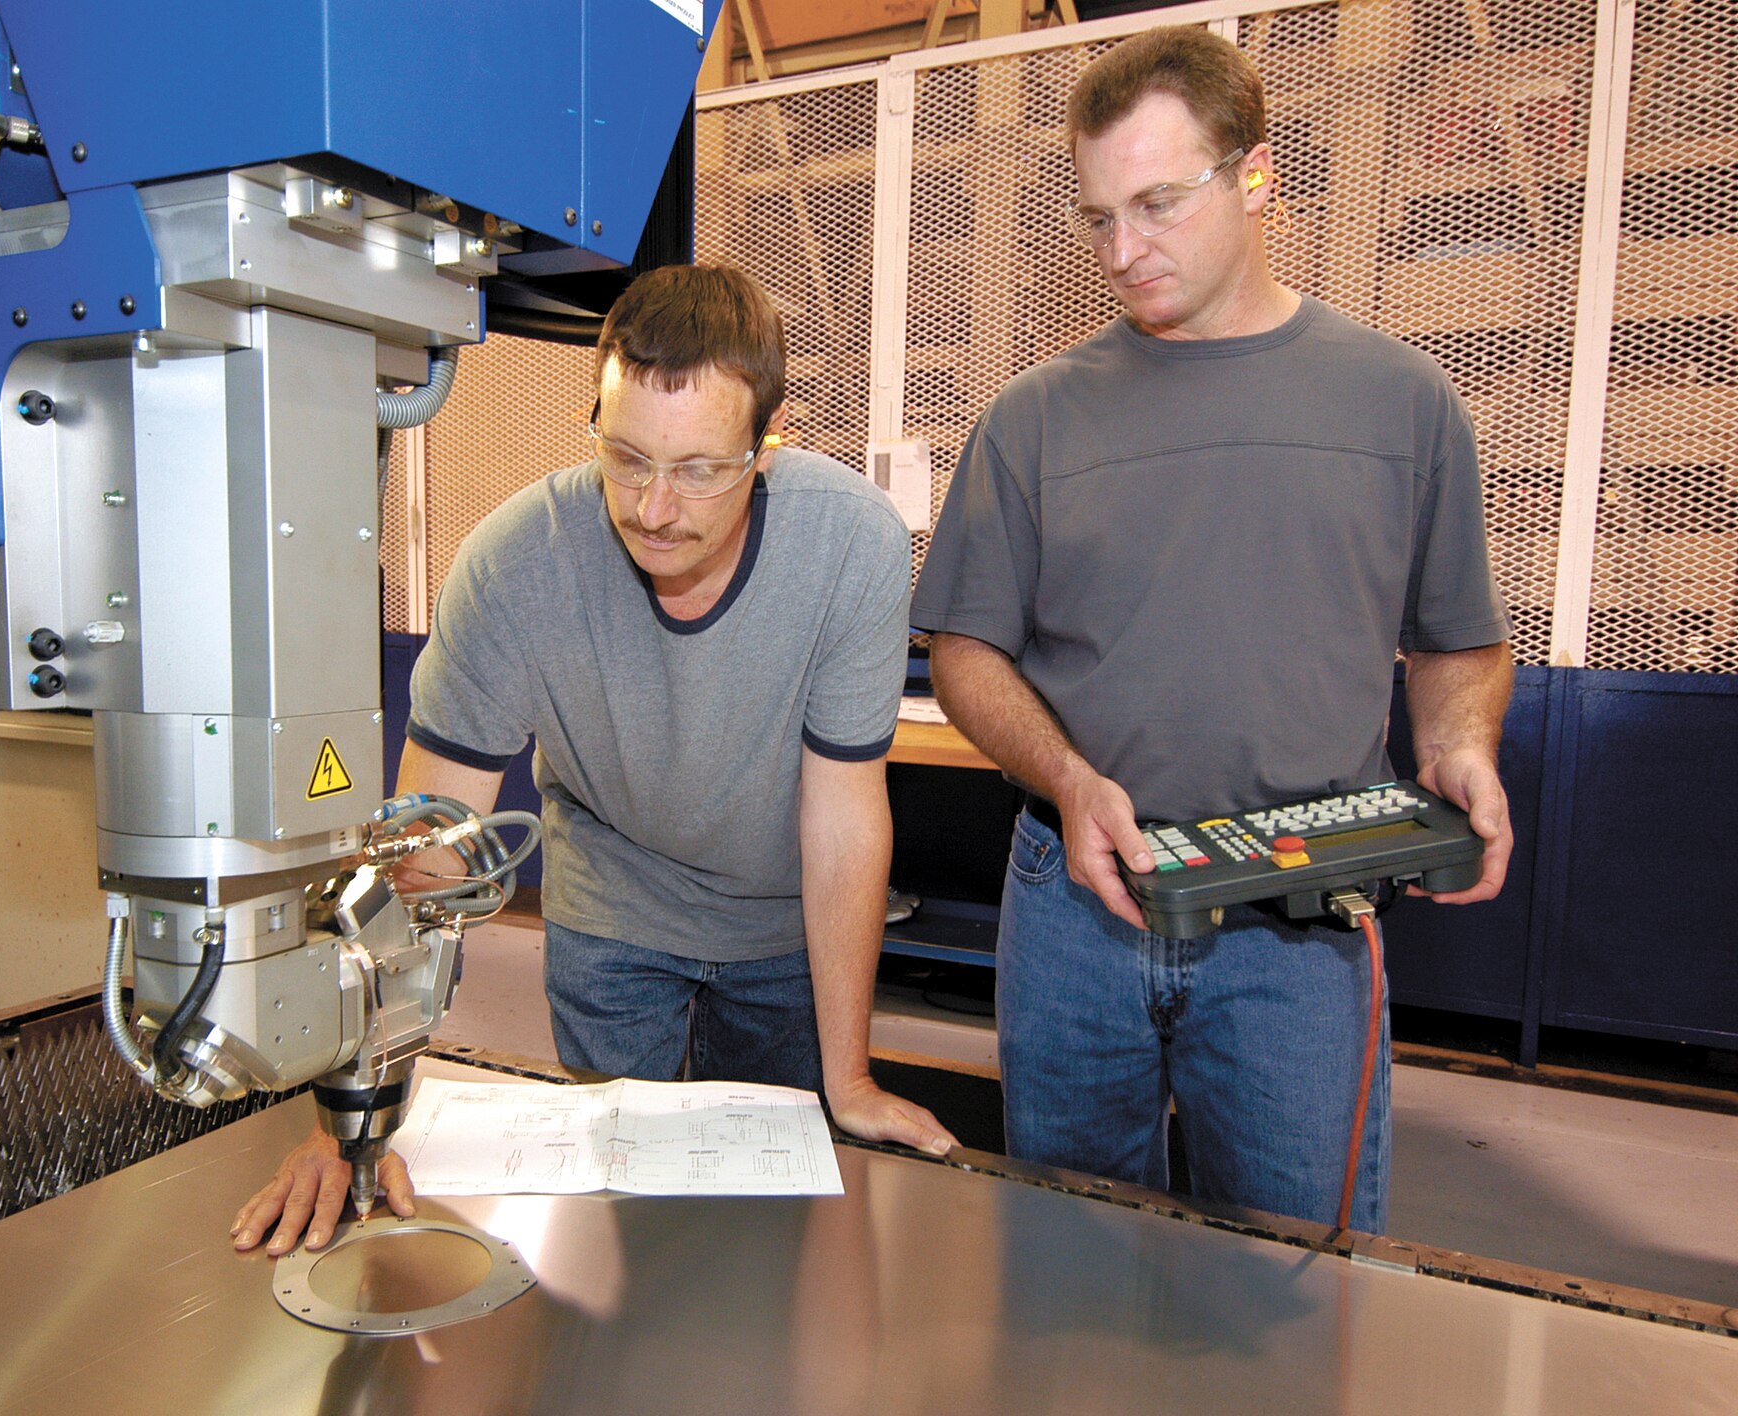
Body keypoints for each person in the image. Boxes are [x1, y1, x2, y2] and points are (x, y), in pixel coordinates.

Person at [910, 27, 1513, 1232]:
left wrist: (1458, 745)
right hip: (1077, 898)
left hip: (1297, 917)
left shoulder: (1399, 403)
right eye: (1096, 219)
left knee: (1296, 1267)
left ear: (1255, 174)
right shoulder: (1031, 421)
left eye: (1156, 204)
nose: (1122, 252)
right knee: (1069, 1257)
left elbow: (1455, 639)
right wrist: (1066, 778)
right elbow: (966, 653)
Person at [234, 264, 955, 1256]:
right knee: (628, 1224)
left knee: (775, 1228)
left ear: (765, 448)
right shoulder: (517, 561)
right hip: (612, 905)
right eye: (625, 459)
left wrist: (851, 1080)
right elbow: (422, 856)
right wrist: (349, 1116)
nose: (655, 508)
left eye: (699, 469)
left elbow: (841, 819)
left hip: (782, 918)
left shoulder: (850, 545)